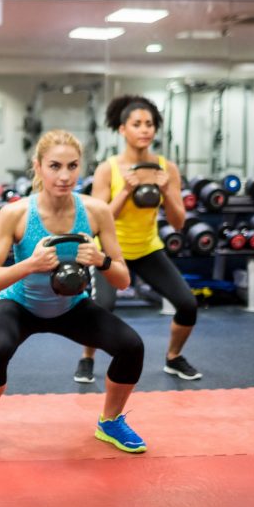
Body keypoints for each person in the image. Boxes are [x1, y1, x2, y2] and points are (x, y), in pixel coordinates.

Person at [0, 130, 146, 459]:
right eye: (55, 166)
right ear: (38, 167)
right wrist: (29, 265)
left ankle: (111, 420)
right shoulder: (16, 214)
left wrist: (100, 260)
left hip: (71, 306)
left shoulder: (96, 211)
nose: (64, 176)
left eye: (72, 166)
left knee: (131, 346)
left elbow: (122, 280)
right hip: (20, 304)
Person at [74, 95, 199, 384]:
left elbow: (179, 223)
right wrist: (125, 191)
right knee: (101, 308)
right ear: (122, 130)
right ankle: (87, 357)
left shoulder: (166, 168)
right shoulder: (109, 168)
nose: (145, 130)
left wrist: (167, 190)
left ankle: (173, 357)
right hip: (111, 251)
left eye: (150, 124)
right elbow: (94, 221)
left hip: (148, 249)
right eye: (137, 124)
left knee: (187, 304)